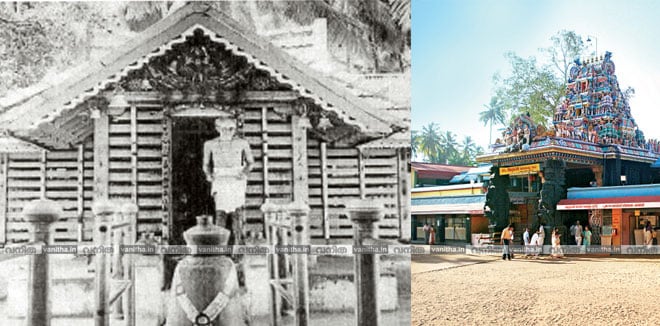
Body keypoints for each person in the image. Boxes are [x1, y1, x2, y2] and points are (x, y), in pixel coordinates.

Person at [203, 116, 255, 247]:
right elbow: (205, 165)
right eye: (224, 129)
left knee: (237, 214)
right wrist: (209, 175)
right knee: (220, 214)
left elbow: (251, 163)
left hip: (236, 179)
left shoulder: (242, 143)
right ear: (218, 128)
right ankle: (219, 248)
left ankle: (238, 248)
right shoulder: (210, 144)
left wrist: (244, 173)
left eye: (231, 129)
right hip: (220, 179)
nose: (228, 132)